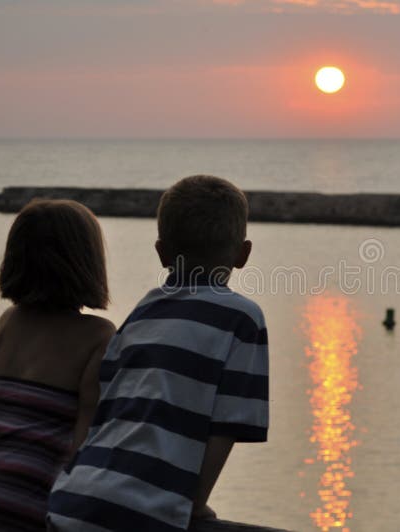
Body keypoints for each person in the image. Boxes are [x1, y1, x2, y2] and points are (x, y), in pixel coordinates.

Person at [47, 175, 269, 532]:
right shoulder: (243, 319)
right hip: (140, 511)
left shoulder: (142, 311)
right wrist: (193, 505)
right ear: (243, 254)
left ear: (161, 252)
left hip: (72, 497)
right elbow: (227, 428)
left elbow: (105, 405)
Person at [0, 199, 116, 532]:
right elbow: (84, 443)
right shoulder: (98, 336)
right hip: (28, 501)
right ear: (89, 263)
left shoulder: (8, 322)